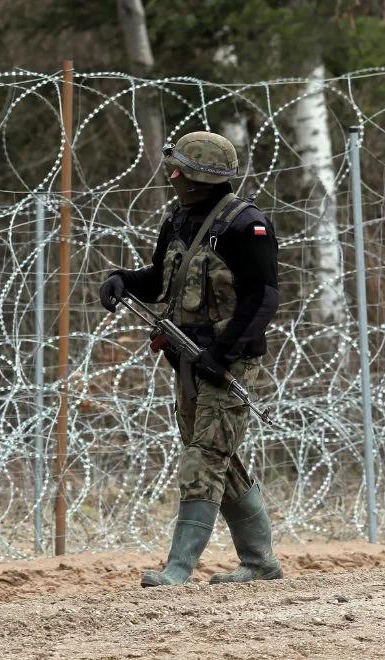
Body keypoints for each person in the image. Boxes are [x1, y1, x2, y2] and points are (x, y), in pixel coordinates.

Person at [99, 131, 282, 587]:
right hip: (186, 360)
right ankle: (260, 563)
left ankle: (178, 568)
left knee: (204, 458)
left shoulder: (247, 225)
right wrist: (124, 281)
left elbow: (264, 299)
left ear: (203, 176)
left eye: (181, 168)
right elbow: (161, 281)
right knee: (217, 456)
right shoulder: (178, 219)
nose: (173, 174)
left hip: (226, 364)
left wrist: (223, 354)